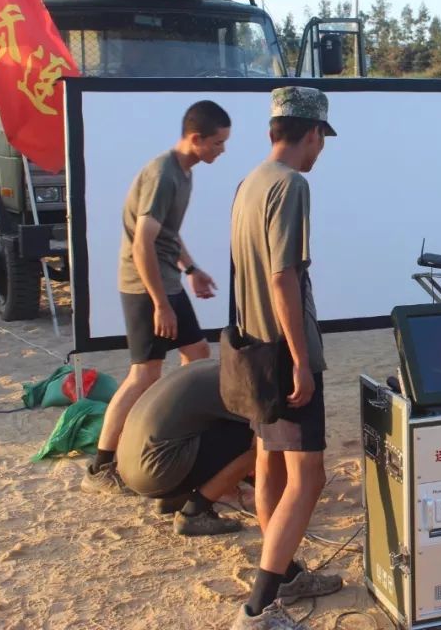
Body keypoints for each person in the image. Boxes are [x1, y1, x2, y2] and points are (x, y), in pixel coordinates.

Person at [229, 87, 342, 629]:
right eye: (322, 140)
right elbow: (283, 276)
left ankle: (287, 570)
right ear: (312, 133)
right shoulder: (291, 185)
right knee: (309, 477)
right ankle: (259, 607)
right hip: (283, 350)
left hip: (253, 348)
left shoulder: (250, 182)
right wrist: (300, 358)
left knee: (269, 461)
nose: (320, 152)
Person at [83, 100, 230, 494]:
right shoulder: (163, 174)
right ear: (195, 138)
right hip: (145, 287)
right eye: (217, 143)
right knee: (143, 373)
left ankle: (180, 431)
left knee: (197, 355)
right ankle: (102, 465)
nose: (221, 150)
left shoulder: (185, 172)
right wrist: (161, 304)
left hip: (168, 283)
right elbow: (142, 246)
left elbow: (167, 234)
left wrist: (192, 269)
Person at [117, 359, 255, 535]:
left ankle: (173, 497)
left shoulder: (213, 367)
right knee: (260, 441)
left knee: (211, 426)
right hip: (157, 471)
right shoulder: (243, 386)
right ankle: (195, 512)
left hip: (128, 466)